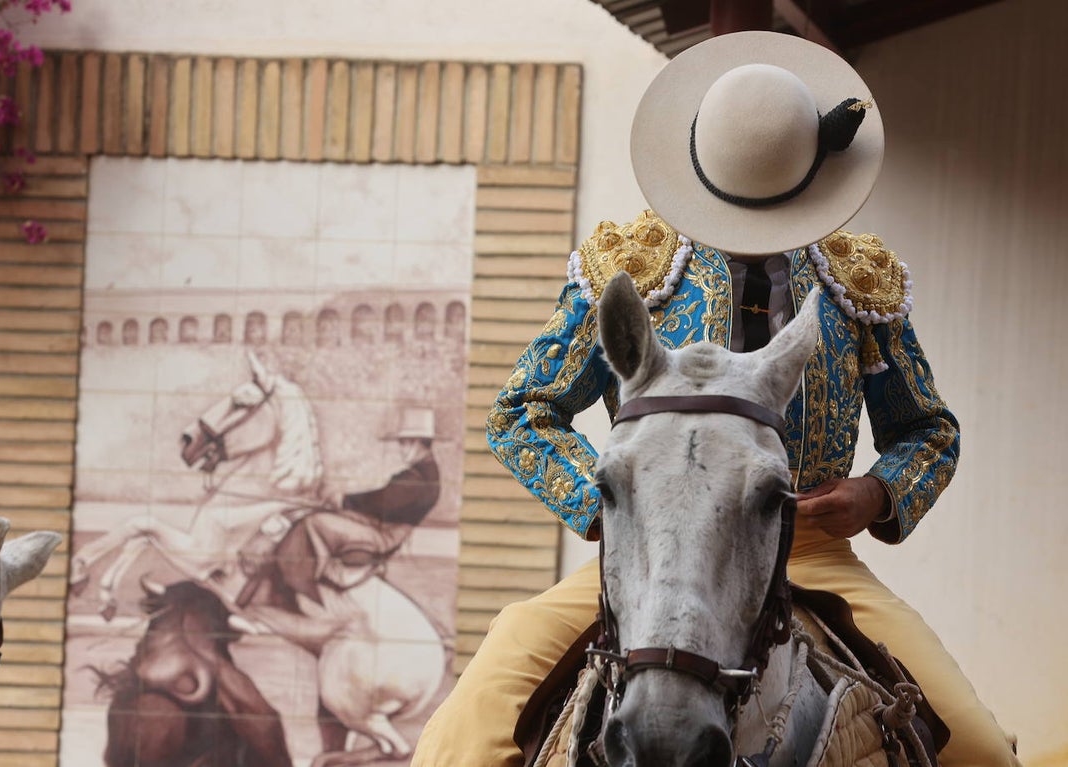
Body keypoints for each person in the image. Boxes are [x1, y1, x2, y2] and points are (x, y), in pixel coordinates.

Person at [413, 31, 1019, 767]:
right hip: (651, 556)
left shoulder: (860, 280)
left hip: (812, 552)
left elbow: (928, 432)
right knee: (461, 739)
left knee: (982, 751)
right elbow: (522, 410)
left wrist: (875, 493)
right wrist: (611, 503)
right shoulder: (628, 266)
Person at [238, 405, 440, 604]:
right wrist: (342, 502)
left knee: (313, 523)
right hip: (382, 526)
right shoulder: (422, 473)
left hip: (383, 535)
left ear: (417, 443)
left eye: (404, 443)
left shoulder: (419, 478)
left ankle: (295, 588)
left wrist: (344, 500)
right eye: (401, 443)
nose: (401, 448)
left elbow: (382, 502)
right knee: (314, 513)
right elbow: (383, 501)